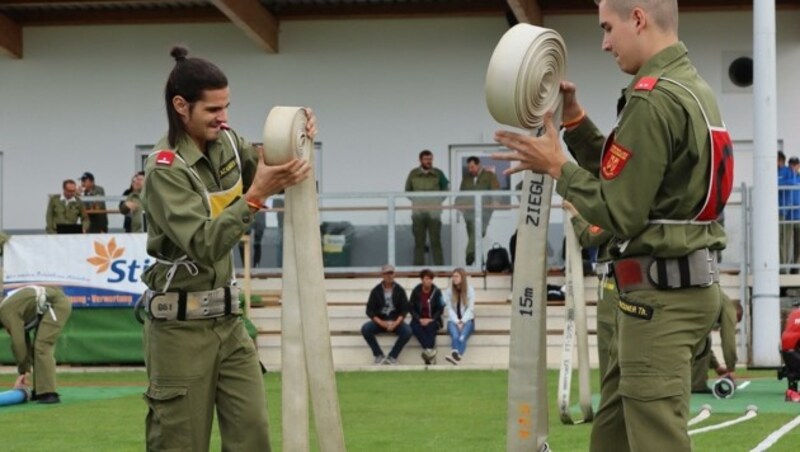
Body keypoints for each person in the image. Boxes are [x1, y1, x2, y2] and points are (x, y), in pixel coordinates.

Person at [493, 1, 732, 450]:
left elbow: (621, 210)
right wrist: (576, 125)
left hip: (659, 300)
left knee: (655, 442)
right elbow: (632, 174)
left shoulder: (652, 99)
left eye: (607, 28)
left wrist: (558, 167)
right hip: (673, 291)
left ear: (638, 18)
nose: (603, 43)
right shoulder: (689, 86)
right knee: (610, 439)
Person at [140, 46, 312, 451]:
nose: (224, 118)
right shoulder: (165, 170)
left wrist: (298, 136)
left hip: (231, 325)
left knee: (253, 435)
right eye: (213, 110)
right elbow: (204, 243)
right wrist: (253, 198)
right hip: (179, 330)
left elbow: (276, 169)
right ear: (181, 106)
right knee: (180, 442)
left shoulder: (230, 144)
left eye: (227, 107)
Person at [564, 200, 617, 380]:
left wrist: (575, 213)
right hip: (624, 281)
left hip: (616, 283)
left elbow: (590, 235)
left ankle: (613, 405)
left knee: (610, 344)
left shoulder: (623, 206)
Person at [0, 285, 72, 404]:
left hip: (57, 304)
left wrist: (23, 372)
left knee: (42, 346)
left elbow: (18, 343)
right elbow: (23, 338)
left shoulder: (6, 312)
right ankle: (40, 390)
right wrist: (24, 370)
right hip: (47, 306)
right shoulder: (6, 307)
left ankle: (49, 393)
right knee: (38, 347)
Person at [361, 264, 412, 365]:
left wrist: (396, 323)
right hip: (380, 321)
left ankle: (392, 356)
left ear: (394, 274)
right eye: (387, 273)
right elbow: (369, 310)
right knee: (365, 329)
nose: (389, 276)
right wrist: (381, 322)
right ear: (382, 275)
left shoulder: (400, 290)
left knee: (408, 331)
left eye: (391, 273)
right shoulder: (376, 291)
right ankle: (378, 355)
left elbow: (404, 309)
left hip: (395, 321)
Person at [405, 150, 449, 265]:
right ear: (420, 160)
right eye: (426, 159)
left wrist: (437, 201)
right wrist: (417, 202)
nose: (429, 161)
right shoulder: (413, 173)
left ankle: (440, 268)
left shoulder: (438, 173)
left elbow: (446, 190)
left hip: (434, 213)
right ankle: (417, 269)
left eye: (430, 159)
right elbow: (407, 191)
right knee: (419, 242)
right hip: (418, 213)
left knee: (436, 242)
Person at [691, 293, 741, 393]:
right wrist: (731, 368)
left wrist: (717, 367)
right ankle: (697, 386)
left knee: (702, 343)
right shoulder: (730, 308)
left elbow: (706, 345)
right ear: (737, 314)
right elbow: (728, 338)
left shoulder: (715, 305)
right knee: (700, 347)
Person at [457, 156, 500, 265]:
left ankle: (469, 255)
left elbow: (496, 191)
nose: (470, 170)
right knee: (475, 238)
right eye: (469, 167)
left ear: (478, 164)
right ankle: (480, 263)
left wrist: (495, 201)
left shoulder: (490, 176)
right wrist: (458, 204)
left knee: (478, 233)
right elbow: (461, 194)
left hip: (484, 211)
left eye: (472, 167)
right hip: (468, 212)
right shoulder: (466, 178)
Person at [407, 268, 445, 364]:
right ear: (422, 279)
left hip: (433, 319)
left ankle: (428, 354)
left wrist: (431, 319)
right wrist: (419, 319)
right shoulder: (416, 291)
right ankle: (430, 352)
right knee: (415, 327)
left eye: (430, 279)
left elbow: (441, 308)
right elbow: (411, 308)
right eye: (426, 279)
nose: (428, 281)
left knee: (430, 328)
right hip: (418, 319)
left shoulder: (437, 292)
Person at [444, 267, 475, 365]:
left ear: (462, 277)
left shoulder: (470, 290)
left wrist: (463, 321)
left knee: (462, 337)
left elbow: (470, 308)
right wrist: (457, 321)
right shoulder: (448, 291)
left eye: (457, 276)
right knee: (455, 335)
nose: (454, 278)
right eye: (453, 276)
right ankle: (456, 356)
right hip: (453, 320)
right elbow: (449, 309)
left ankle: (456, 354)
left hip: (468, 320)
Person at [778, 151, 798, 271]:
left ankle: (792, 268)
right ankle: (782, 267)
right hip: (785, 213)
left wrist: (778, 184)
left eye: (795, 164)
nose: (793, 166)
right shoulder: (780, 171)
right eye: (792, 163)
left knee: (794, 243)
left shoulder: (789, 173)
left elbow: (791, 183)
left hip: (792, 213)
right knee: (782, 241)